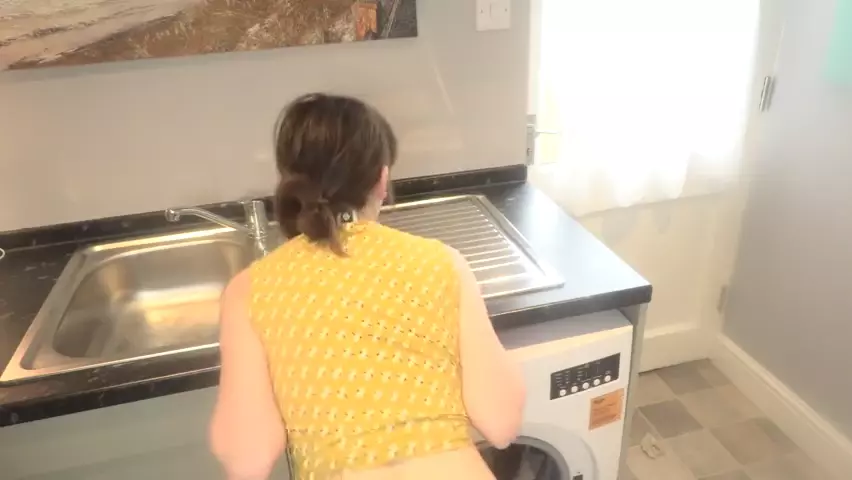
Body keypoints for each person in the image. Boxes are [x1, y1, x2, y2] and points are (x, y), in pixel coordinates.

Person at [209, 93, 527, 480]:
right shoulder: (441, 263)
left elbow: (247, 459)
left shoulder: (250, 290)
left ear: (290, 182)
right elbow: (501, 421)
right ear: (382, 178)